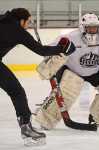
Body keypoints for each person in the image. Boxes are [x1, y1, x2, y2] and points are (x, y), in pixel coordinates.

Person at [34, 13, 99, 129]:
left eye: (95, 27)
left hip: (96, 71)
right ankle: (46, 117)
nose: (92, 30)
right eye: (89, 27)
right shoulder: (69, 38)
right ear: (82, 27)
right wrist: (54, 57)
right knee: (67, 93)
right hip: (73, 72)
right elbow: (50, 51)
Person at [0, 8, 75, 145]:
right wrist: (62, 49)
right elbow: (41, 50)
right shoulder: (18, 31)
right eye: (27, 22)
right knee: (17, 92)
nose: (28, 25)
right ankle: (27, 129)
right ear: (21, 20)